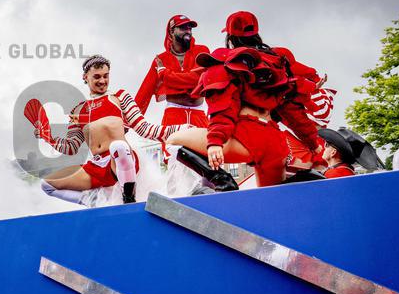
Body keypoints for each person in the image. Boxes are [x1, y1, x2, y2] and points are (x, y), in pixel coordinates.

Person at [166, 11, 324, 187]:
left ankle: (223, 182)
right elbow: (292, 112)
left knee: (173, 140)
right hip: (275, 143)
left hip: (247, 138)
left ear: (230, 36)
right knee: (270, 202)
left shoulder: (229, 63)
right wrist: (313, 143)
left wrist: (215, 142)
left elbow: (224, 107)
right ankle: (307, 179)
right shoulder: (278, 63)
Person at [28, 55, 186, 204]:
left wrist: (179, 129)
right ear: (85, 77)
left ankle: (128, 197)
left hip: (120, 161)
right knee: (46, 184)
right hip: (96, 167)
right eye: (97, 77)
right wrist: (47, 136)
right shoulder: (78, 110)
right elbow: (71, 147)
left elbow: (145, 129)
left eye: (106, 76)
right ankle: (92, 200)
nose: (103, 81)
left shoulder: (119, 97)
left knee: (118, 146)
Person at [135, 15, 209, 128]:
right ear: (171, 31)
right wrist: (128, 122)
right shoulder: (161, 60)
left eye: (190, 28)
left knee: (205, 145)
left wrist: (165, 75)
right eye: (183, 27)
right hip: (173, 114)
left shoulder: (202, 51)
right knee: (172, 146)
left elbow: (196, 80)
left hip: (198, 114)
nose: (188, 30)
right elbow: (145, 91)